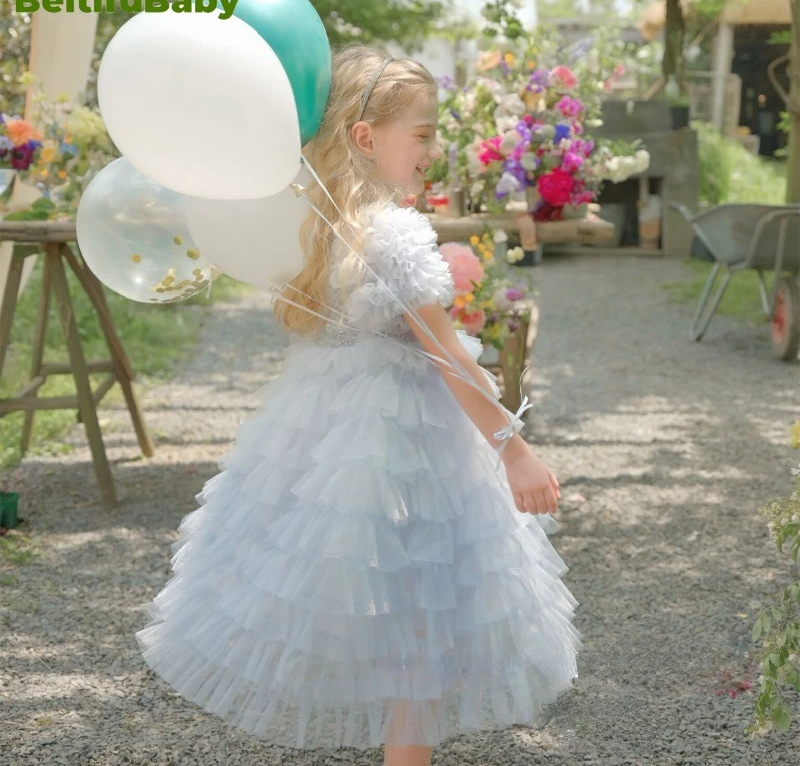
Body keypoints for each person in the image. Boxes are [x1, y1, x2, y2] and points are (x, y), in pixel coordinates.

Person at [135, 44, 583, 766]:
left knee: (398, 626)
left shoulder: (319, 224)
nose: (433, 148)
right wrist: (515, 450)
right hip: (398, 447)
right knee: (421, 636)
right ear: (367, 137)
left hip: (324, 441)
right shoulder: (393, 233)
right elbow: (448, 356)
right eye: (424, 132)